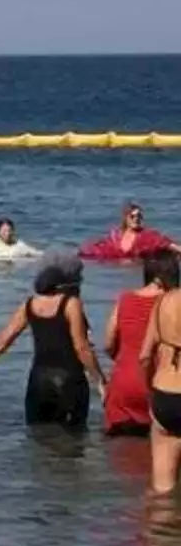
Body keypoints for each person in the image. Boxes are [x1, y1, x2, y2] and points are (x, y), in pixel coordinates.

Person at [0, 249, 107, 429]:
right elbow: (82, 348)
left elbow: (4, 338)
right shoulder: (71, 304)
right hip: (69, 380)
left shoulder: (30, 304)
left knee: (39, 439)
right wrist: (100, 381)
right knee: (72, 443)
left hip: (39, 381)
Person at [103, 252, 178, 436]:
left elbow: (108, 343)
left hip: (123, 384)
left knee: (119, 453)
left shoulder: (125, 299)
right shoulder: (173, 304)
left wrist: (123, 359)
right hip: (160, 386)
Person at [140, 267, 181, 494]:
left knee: (162, 489)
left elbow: (144, 357)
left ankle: (160, 528)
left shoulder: (162, 302)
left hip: (164, 394)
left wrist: (150, 392)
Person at [79, 203, 180, 261]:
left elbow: (165, 243)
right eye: (132, 216)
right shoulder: (116, 236)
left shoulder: (147, 236)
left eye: (139, 216)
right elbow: (102, 248)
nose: (136, 219)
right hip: (118, 274)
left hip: (136, 271)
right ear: (126, 218)